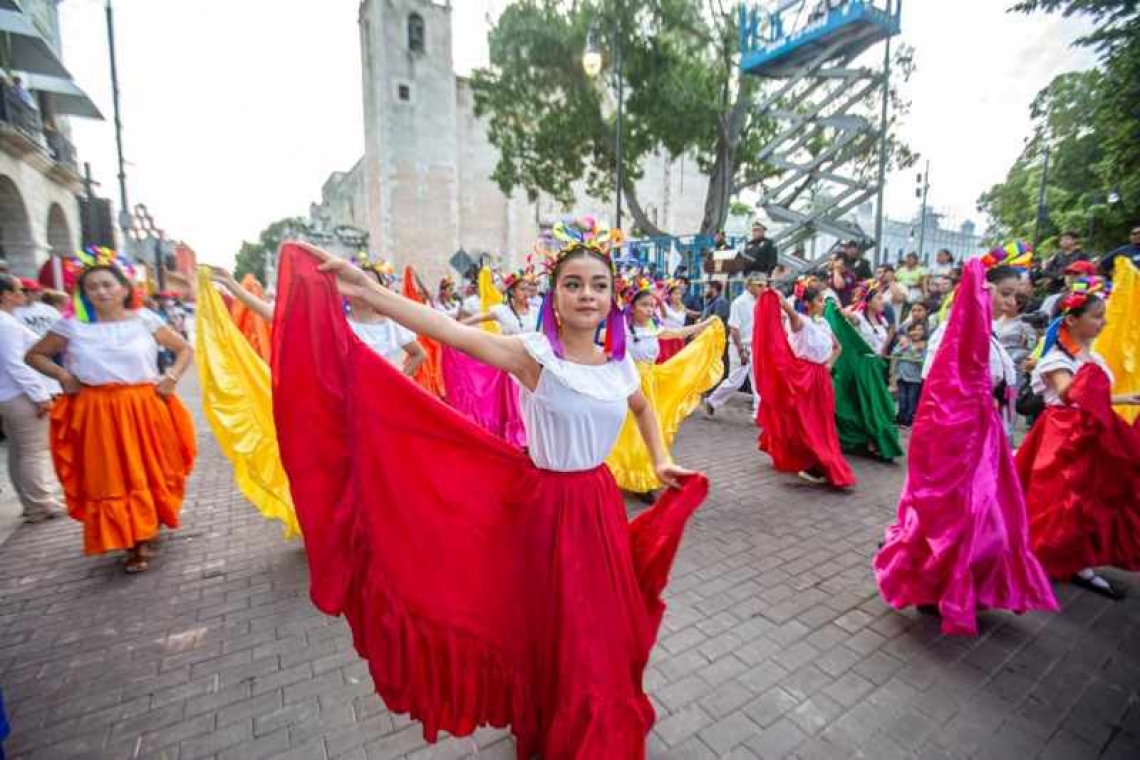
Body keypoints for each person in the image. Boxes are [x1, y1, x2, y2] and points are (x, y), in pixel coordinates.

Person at [272, 219, 708, 758]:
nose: (587, 294)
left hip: (598, 503)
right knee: (559, 625)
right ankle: (564, 722)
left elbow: (642, 408)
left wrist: (662, 458)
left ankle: (596, 714)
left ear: (612, 297)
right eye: (573, 283)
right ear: (555, 293)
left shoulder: (619, 364)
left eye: (598, 284)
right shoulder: (533, 355)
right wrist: (369, 292)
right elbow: (451, 332)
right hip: (548, 507)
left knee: (599, 625)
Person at [874, 255, 1058, 635]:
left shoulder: (990, 335)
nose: (1012, 304)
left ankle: (964, 584)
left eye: (1018, 298)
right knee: (954, 516)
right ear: (985, 290)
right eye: (1006, 294)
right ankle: (933, 586)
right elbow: (937, 388)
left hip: (986, 439)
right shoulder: (950, 332)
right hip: (958, 442)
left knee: (988, 517)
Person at [25, 256, 196, 573]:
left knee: (148, 469)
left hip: (143, 405)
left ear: (124, 288)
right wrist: (63, 377)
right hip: (97, 411)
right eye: (92, 287)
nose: (101, 292)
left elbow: (185, 349)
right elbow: (34, 355)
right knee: (110, 476)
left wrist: (171, 377)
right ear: (84, 293)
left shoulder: (145, 319)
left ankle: (147, 527)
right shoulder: (71, 325)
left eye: (107, 284)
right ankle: (133, 541)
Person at [1016, 283, 1140, 600]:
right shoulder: (1056, 357)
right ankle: (1039, 560)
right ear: (1072, 319)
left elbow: (1094, 397)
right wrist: (1113, 391)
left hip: (1090, 433)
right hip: (1062, 436)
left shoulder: (1093, 356)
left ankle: (1075, 561)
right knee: (1055, 500)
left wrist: (1125, 397)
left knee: (1085, 502)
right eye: (1097, 316)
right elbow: (1072, 393)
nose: (1104, 323)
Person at [196, 267, 301, 540]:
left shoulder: (342, 321)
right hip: (303, 406)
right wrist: (232, 285)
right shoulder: (295, 318)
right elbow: (269, 313)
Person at [607, 284, 723, 496]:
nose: (650, 309)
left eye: (652, 305)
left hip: (652, 383)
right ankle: (632, 477)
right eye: (644, 305)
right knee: (630, 433)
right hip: (628, 385)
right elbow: (608, 354)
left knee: (651, 431)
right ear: (631, 307)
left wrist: (706, 323)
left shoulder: (653, 326)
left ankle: (644, 476)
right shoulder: (620, 326)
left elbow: (677, 333)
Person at [753, 285, 855, 487]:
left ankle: (813, 459)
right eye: (818, 300)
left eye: (822, 300)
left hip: (821, 379)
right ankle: (816, 463)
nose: (822, 303)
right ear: (807, 303)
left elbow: (838, 347)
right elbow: (790, 312)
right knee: (806, 421)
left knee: (822, 422)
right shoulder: (801, 322)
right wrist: (778, 298)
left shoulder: (824, 323)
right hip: (803, 376)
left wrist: (828, 365)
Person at [0, 275, 62, 523]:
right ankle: (40, 503)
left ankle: (32, 501)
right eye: (19, 290)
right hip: (18, 394)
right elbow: (16, 363)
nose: (23, 294)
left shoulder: (7, 322)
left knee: (19, 451)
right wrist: (39, 395)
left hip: (9, 394)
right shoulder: (5, 324)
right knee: (30, 451)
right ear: (5, 294)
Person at [705, 275, 763, 417]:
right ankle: (712, 401)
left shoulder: (759, 302)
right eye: (759, 284)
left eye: (763, 285)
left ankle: (758, 413)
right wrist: (741, 350)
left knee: (758, 380)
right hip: (740, 346)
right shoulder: (739, 303)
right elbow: (734, 328)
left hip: (754, 345)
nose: (762, 288)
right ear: (749, 285)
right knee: (735, 381)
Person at [891, 322, 927, 428]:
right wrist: (903, 347)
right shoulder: (904, 342)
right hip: (901, 376)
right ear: (909, 332)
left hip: (915, 379)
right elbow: (894, 353)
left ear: (923, 332)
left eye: (920, 329)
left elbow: (924, 361)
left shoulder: (924, 346)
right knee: (902, 398)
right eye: (914, 329)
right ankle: (900, 418)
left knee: (911, 400)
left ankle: (908, 420)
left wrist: (914, 352)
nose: (917, 332)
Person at [846, 286, 893, 357]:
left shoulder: (883, 321)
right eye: (879, 298)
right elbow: (851, 317)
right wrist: (842, 311)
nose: (882, 302)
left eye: (882, 299)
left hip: (880, 363)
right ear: (869, 303)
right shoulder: (859, 317)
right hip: (865, 362)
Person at [656, 280, 689, 363]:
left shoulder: (683, 308)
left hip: (678, 340)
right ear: (669, 295)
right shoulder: (663, 306)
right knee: (666, 362)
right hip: (666, 340)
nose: (678, 296)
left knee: (678, 363)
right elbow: (663, 316)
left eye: (679, 294)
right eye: (675, 293)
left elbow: (683, 323)